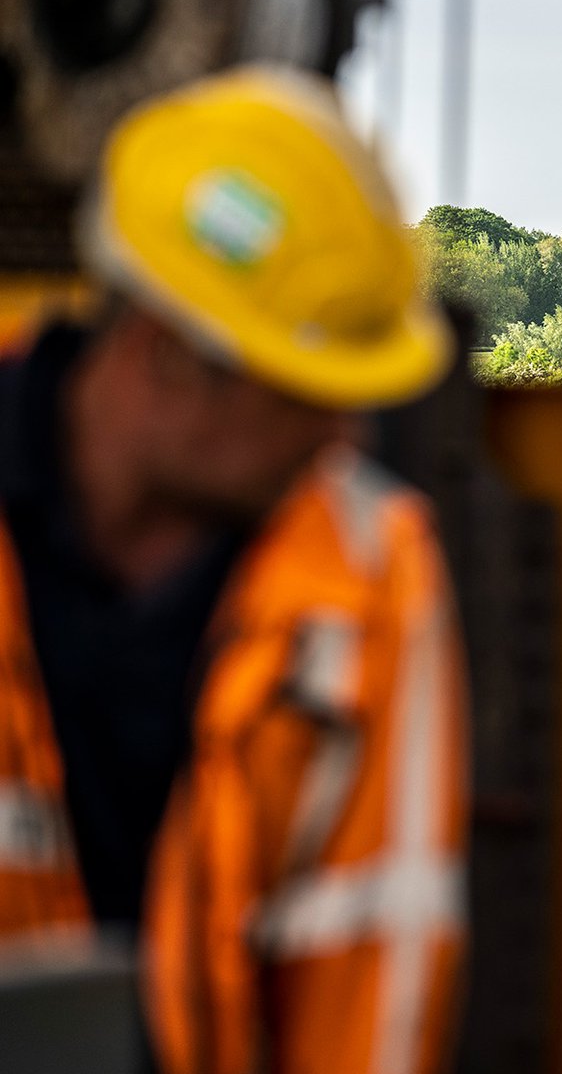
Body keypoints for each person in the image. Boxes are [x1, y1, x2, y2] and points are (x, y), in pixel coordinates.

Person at [0, 67, 467, 1073]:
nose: (344, 428)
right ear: (167, 355)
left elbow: (366, 1014)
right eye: (307, 386)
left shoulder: (368, 572)